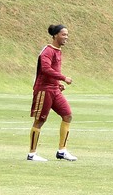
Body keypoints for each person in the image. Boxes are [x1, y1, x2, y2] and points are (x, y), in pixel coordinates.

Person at [28, 24, 77, 162]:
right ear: (55, 35)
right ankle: (32, 154)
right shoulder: (48, 51)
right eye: (63, 34)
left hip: (54, 89)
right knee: (40, 121)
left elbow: (51, 72)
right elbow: (45, 69)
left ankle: (62, 151)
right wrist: (63, 78)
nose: (66, 37)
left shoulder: (58, 51)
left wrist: (57, 84)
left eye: (67, 35)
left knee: (67, 115)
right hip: (44, 90)